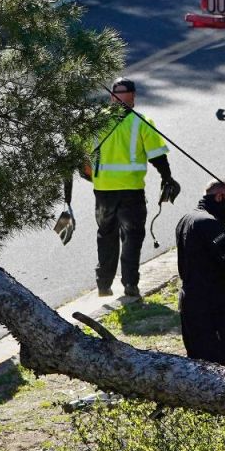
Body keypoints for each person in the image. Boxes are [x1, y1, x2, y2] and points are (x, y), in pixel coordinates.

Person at [80, 77, 180, 298]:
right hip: (132, 191)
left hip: (104, 193)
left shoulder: (95, 122)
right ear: (133, 97)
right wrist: (167, 178)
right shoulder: (141, 122)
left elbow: (82, 161)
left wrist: (95, 179)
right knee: (133, 236)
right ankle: (130, 285)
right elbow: (158, 156)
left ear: (111, 98)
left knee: (106, 234)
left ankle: (103, 285)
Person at [175, 181, 225, 369]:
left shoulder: (186, 219)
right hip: (212, 307)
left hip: (191, 301)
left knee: (199, 363)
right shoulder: (208, 223)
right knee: (224, 365)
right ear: (219, 197)